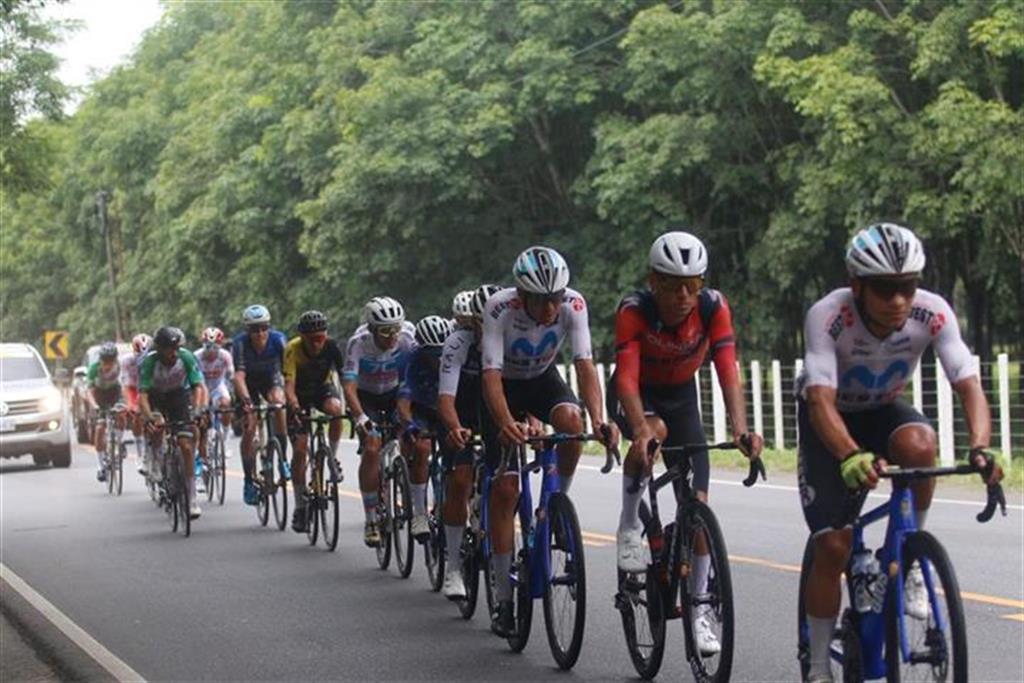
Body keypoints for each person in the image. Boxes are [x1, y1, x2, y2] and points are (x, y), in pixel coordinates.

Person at [797, 222, 1002, 683]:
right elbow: (820, 402)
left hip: (883, 410)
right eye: (885, 289)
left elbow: (969, 385)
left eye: (907, 287)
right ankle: (817, 666)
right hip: (829, 418)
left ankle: (908, 560)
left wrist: (981, 447)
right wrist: (850, 455)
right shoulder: (828, 315)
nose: (898, 300)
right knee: (833, 545)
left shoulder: (932, 312)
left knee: (920, 444)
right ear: (857, 286)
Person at [609, 230, 764, 655]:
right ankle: (630, 524)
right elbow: (626, 379)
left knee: (698, 506)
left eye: (692, 285)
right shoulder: (634, 310)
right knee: (652, 435)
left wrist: (741, 429)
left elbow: (727, 369)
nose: (683, 296)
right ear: (653, 282)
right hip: (637, 394)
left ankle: (700, 610)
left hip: (682, 398)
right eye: (673, 285)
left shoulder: (713, 308)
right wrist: (639, 429)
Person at [480, 246, 618, 637]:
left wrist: (598, 420)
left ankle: (557, 504)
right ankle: (503, 598)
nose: (551, 308)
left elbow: (584, 364)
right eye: (542, 300)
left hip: (542, 380)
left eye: (556, 297)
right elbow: (490, 376)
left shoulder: (574, 304)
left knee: (572, 422)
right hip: (503, 387)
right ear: (522, 295)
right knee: (506, 489)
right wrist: (506, 422)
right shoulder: (499, 308)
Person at [437, 283, 502, 599]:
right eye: (482, 322)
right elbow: (445, 397)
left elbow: (525, 385)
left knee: (507, 482)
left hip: (493, 410)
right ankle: (453, 567)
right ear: (472, 322)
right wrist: (455, 427)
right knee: (460, 479)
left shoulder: (510, 339)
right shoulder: (457, 343)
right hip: (460, 411)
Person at [342, 296, 416, 547]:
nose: (392, 336)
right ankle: (371, 519)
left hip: (395, 394)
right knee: (372, 447)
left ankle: (405, 482)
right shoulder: (358, 343)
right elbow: (349, 387)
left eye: (396, 328)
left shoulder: (407, 338)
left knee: (411, 436)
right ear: (372, 329)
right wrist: (360, 417)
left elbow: (414, 376)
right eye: (385, 331)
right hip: (367, 398)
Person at [283, 310, 346, 533]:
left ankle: (332, 457)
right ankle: (300, 507)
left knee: (337, 411)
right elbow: (288, 386)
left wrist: (353, 408)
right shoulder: (292, 349)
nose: (317, 343)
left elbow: (345, 379)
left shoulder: (332, 347)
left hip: (321, 390)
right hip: (298, 395)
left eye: (320, 337)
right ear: (302, 337)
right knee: (300, 451)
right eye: (311, 339)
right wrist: (295, 407)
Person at [138, 326, 208, 519]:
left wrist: (197, 410)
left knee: (186, 446)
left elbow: (197, 387)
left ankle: (192, 498)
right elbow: (142, 396)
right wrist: (148, 416)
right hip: (156, 397)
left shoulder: (186, 357)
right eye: (170, 349)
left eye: (177, 348)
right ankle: (157, 461)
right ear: (160, 349)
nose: (174, 353)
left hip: (178, 396)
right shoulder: (149, 362)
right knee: (157, 426)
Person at [396, 315, 455, 542]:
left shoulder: (456, 354)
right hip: (420, 409)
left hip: (446, 409)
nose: (438, 359)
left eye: (441, 353)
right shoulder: (411, 360)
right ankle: (419, 514)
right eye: (432, 354)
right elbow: (403, 402)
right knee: (422, 448)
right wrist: (410, 425)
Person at [232, 304, 289, 506]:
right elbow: (238, 376)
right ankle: (248, 480)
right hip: (248, 384)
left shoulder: (278, 339)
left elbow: (287, 371)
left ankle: (282, 460)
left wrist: (290, 395)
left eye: (264, 327)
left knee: (279, 404)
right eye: (255, 329)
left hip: (270, 379)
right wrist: (247, 402)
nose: (260, 333)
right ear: (247, 330)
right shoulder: (240, 343)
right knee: (249, 427)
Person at [195, 327, 234, 491]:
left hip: (218, 387)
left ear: (220, 345)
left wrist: (234, 397)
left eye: (215, 347)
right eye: (208, 347)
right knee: (202, 427)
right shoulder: (197, 357)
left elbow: (231, 377)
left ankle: (225, 436)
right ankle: (201, 468)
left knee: (226, 404)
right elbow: (196, 383)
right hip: (201, 388)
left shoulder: (225, 356)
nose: (211, 351)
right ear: (203, 345)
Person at [87, 342, 123, 481]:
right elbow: (90, 392)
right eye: (105, 361)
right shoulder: (94, 369)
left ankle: (118, 442)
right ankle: (100, 466)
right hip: (99, 395)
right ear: (100, 360)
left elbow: (125, 386)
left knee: (121, 415)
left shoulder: (119, 367)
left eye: (110, 361)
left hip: (115, 393)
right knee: (100, 428)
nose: (107, 365)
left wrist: (125, 404)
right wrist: (94, 406)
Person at [121, 333, 151, 473]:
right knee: (137, 414)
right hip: (133, 389)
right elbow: (126, 386)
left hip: (150, 389)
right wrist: (131, 405)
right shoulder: (127, 361)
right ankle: (140, 452)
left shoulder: (154, 359)